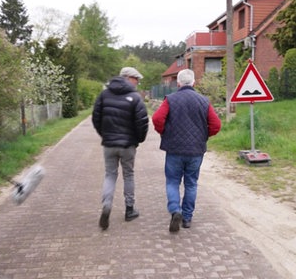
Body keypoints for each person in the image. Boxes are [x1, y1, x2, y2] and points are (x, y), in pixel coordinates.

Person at [152, 69, 221, 233]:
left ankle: (176, 210)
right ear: (194, 83)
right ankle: (187, 218)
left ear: (178, 83)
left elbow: (156, 118)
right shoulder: (204, 101)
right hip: (196, 150)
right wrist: (203, 136)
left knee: (172, 181)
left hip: (174, 149)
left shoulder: (170, 99)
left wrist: (164, 132)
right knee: (191, 183)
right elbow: (216, 125)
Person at [92, 67, 149, 230]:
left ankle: (107, 205)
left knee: (110, 175)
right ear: (128, 78)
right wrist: (138, 140)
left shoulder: (104, 94)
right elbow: (142, 122)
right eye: (136, 79)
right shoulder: (135, 97)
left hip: (109, 144)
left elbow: (96, 117)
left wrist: (105, 135)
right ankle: (129, 209)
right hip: (127, 145)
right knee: (129, 175)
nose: (137, 82)